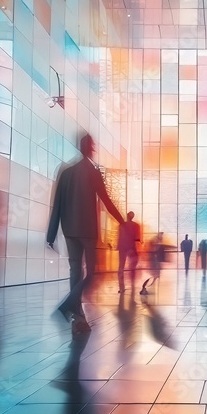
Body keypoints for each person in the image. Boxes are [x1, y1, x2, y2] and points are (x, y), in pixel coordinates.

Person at [47, 133, 125, 335]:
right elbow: (106, 201)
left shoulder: (67, 173)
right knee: (91, 273)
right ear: (90, 147)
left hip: (69, 230)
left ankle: (77, 314)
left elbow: (57, 205)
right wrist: (123, 221)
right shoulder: (93, 171)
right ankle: (68, 306)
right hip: (87, 230)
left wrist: (51, 234)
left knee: (75, 271)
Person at [117, 212, 140, 293]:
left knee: (121, 267)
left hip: (122, 248)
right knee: (132, 267)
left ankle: (121, 288)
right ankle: (132, 284)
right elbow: (137, 239)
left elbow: (119, 238)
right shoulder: (136, 226)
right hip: (131, 248)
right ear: (133, 217)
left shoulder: (121, 225)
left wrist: (118, 247)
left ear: (127, 216)